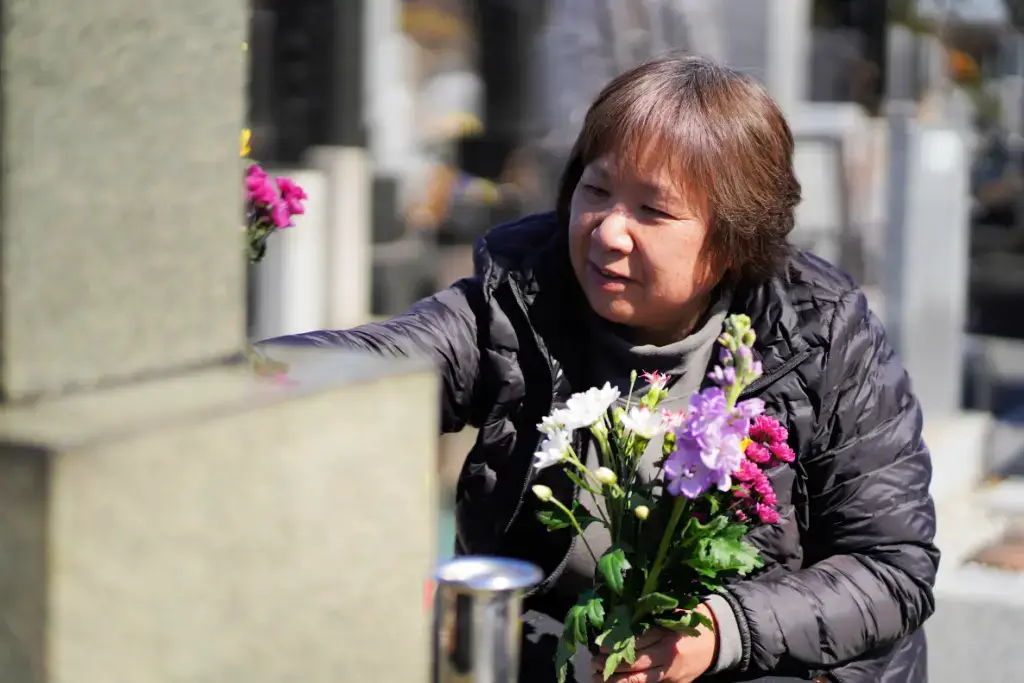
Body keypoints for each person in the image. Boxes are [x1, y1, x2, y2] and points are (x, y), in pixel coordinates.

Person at [266, 55, 939, 683]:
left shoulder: (822, 334)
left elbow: (892, 568)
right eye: (596, 189)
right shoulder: (523, 296)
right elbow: (386, 363)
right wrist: (244, 372)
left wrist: (718, 631)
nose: (609, 230)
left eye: (652, 210)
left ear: (732, 241)